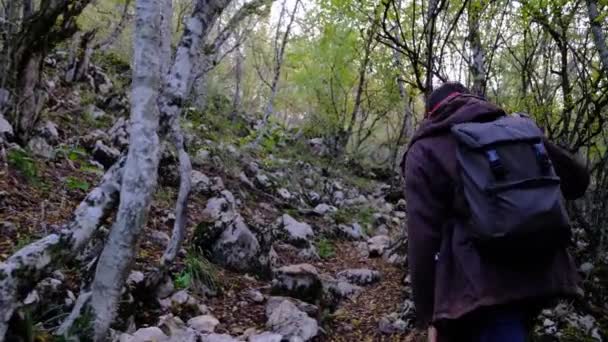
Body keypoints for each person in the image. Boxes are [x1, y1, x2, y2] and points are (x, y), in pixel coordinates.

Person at [403, 82, 590, 342]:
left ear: (430, 113)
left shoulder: (425, 149)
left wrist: (430, 315)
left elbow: (422, 239)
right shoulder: (516, 129)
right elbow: (578, 180)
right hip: (540, 271)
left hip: (475, 287)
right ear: (472, 98)